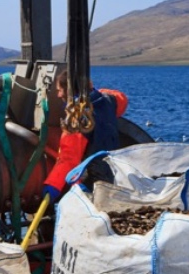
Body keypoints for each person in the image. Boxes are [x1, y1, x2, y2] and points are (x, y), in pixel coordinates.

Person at [41, 70, 128, 200]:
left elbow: (69, 159)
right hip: (115, 175)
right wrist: (94, 91)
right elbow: (121, 98)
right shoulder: (109, 102)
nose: (58, 95)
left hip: (93, 183)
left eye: (60, 90)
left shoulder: (76, 120)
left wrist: (53, 186)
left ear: (70, 91)